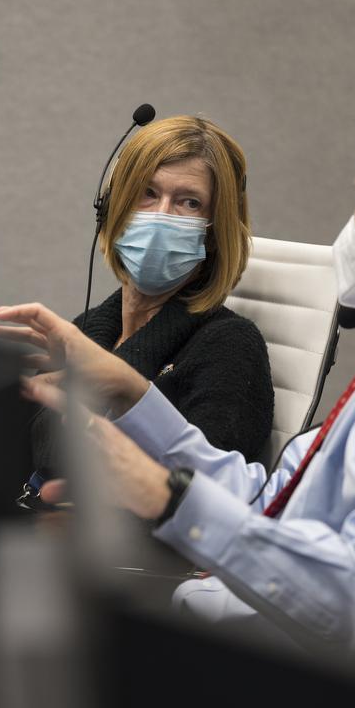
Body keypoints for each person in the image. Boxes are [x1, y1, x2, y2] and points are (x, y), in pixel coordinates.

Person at [0, 94, 355, 677]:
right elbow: (273, 499)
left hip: (266, 689)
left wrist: (171, 502)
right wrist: (136, 399)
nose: (350, 227)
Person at [24, 115, 272, 505]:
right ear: (113, 208)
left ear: (214, 231)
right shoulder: (85, 330)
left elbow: (207, 501)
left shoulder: (230, 345)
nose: (161, 215)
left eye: (189, 202)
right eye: (147, 193)